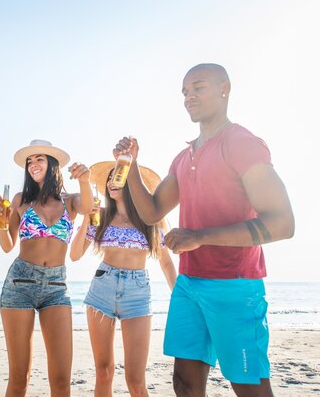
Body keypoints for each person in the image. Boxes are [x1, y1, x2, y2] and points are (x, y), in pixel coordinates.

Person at [115, 63, 295, 397]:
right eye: (185, 91)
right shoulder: (184, 157)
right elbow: (152, 210)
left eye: (198, 87)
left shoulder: (242, 143)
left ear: (224, 88)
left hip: (235, 286)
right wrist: (132, 165)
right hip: (189, 284)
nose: (189, 97)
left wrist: (199, 237)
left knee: (249, 386)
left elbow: (282, 223)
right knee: (184, 382)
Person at [0, 139, 93, 397]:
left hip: (57, 287)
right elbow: (6, 246)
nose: (33, 164)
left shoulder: (70, 201)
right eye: (30, 161)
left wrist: (84, 178)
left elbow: (87, 207)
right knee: (19, 378)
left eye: (39, 159)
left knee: (61, 380)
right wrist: (2, 224)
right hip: (20, 285)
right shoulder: (19, 200)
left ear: (52, 165)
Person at [69, 161, 177, 397]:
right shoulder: (102, 216)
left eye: (119, 176)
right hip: (102, 289)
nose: (112, 181)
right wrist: (87, 218)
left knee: (136, 380)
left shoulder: (151, 220)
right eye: (110, 177)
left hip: (137, 294)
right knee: (104, 371)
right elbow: (75, 255)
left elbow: (166, 263)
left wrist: (180, 297)